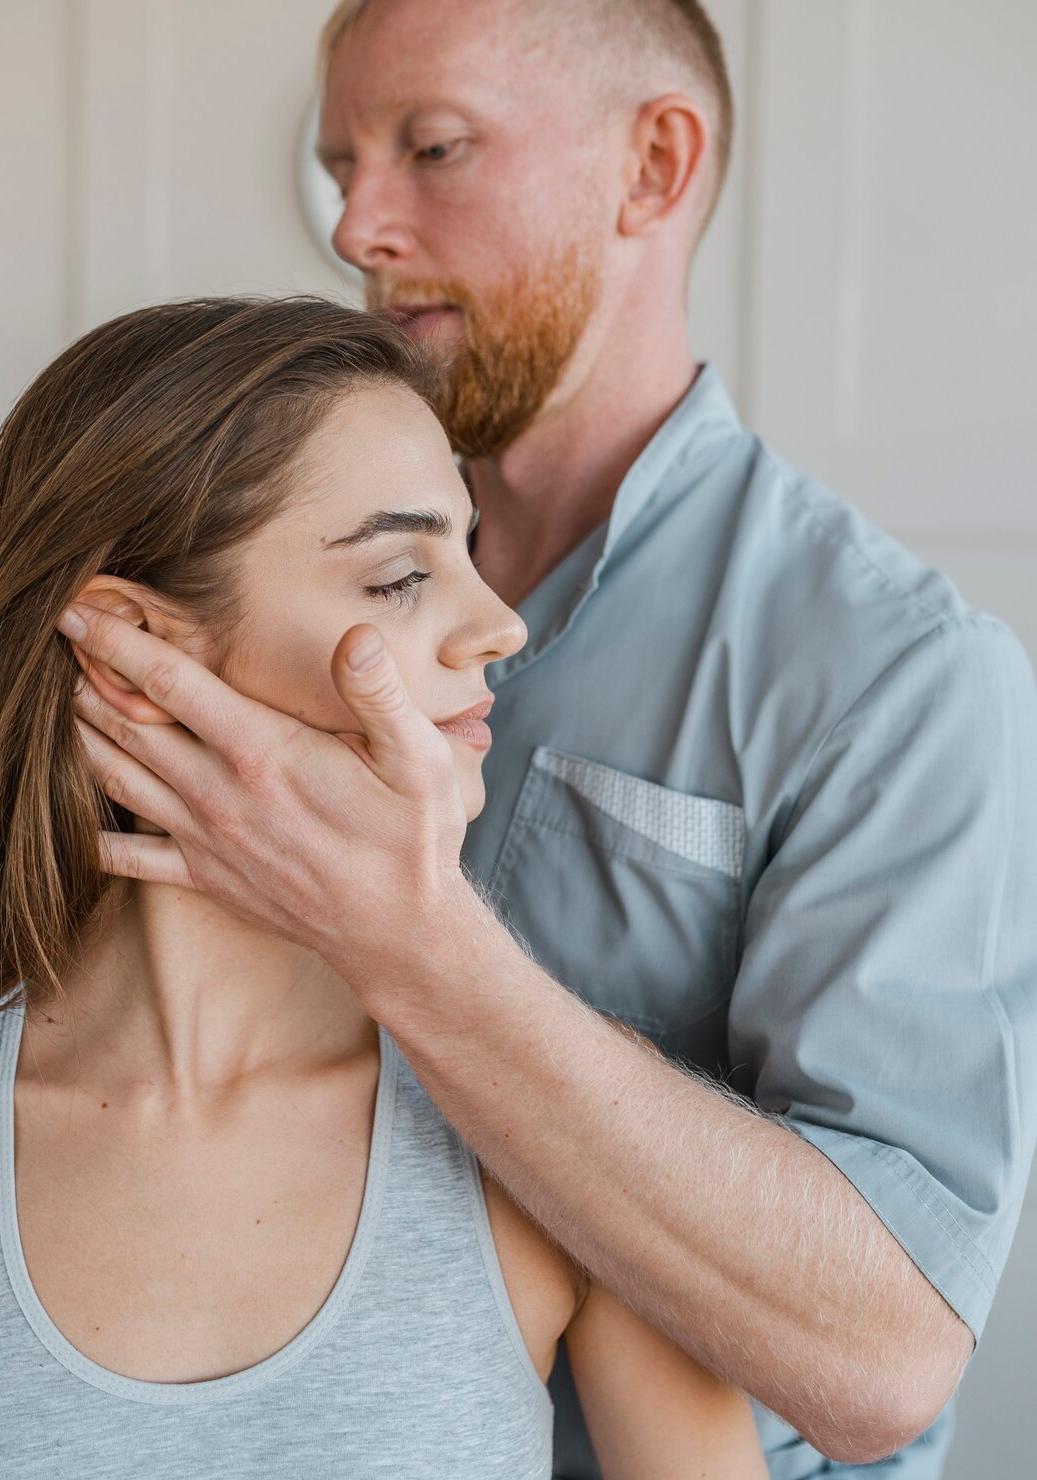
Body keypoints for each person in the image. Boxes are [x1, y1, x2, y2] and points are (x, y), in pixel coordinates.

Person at [56, 2, 1037, 1477]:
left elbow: (882, 1360)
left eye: (432, 149)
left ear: (653, 166)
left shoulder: (897, 677)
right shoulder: (264, 578)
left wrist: (408, 945)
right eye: (343, 164)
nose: (358, 226)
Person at [0, 297, 771, 1478]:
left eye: (467, 551)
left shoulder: (560, 1148)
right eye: (396, 575)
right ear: (134, 650)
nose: (498, 625)